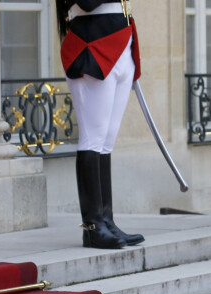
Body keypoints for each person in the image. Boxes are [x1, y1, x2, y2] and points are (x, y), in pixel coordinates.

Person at [57, 0, 145, 249]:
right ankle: (93, 227)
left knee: (106, 142)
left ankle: (106, 220)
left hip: (120, 44)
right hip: (93, 45)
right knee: (92, 139)